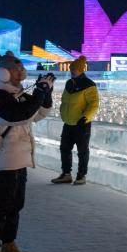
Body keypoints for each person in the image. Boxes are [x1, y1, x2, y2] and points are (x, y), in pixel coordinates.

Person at [0, 51, 53, 252]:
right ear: (2, 72)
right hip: (5, 158)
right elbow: (18, 115)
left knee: (15, 204)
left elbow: (36, 114)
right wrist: (39, 94)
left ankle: (9, 244)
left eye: (21, 69)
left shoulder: (15, 91)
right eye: (16, 69)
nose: (21, 73)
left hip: (19, 155)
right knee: (0, 206)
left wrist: (45, 93)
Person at [52, 56, 99, 186]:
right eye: (71, 68)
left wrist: (86, 117)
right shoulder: (69, 83)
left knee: (82, 150)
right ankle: (66, 174)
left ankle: (81, 175)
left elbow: (93, 104)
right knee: (64, 148)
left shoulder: (89, 84)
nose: (72, 70)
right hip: (68, 122)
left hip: (81, 123)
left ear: (81, 69)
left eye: (75, 69)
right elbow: (65, 101)